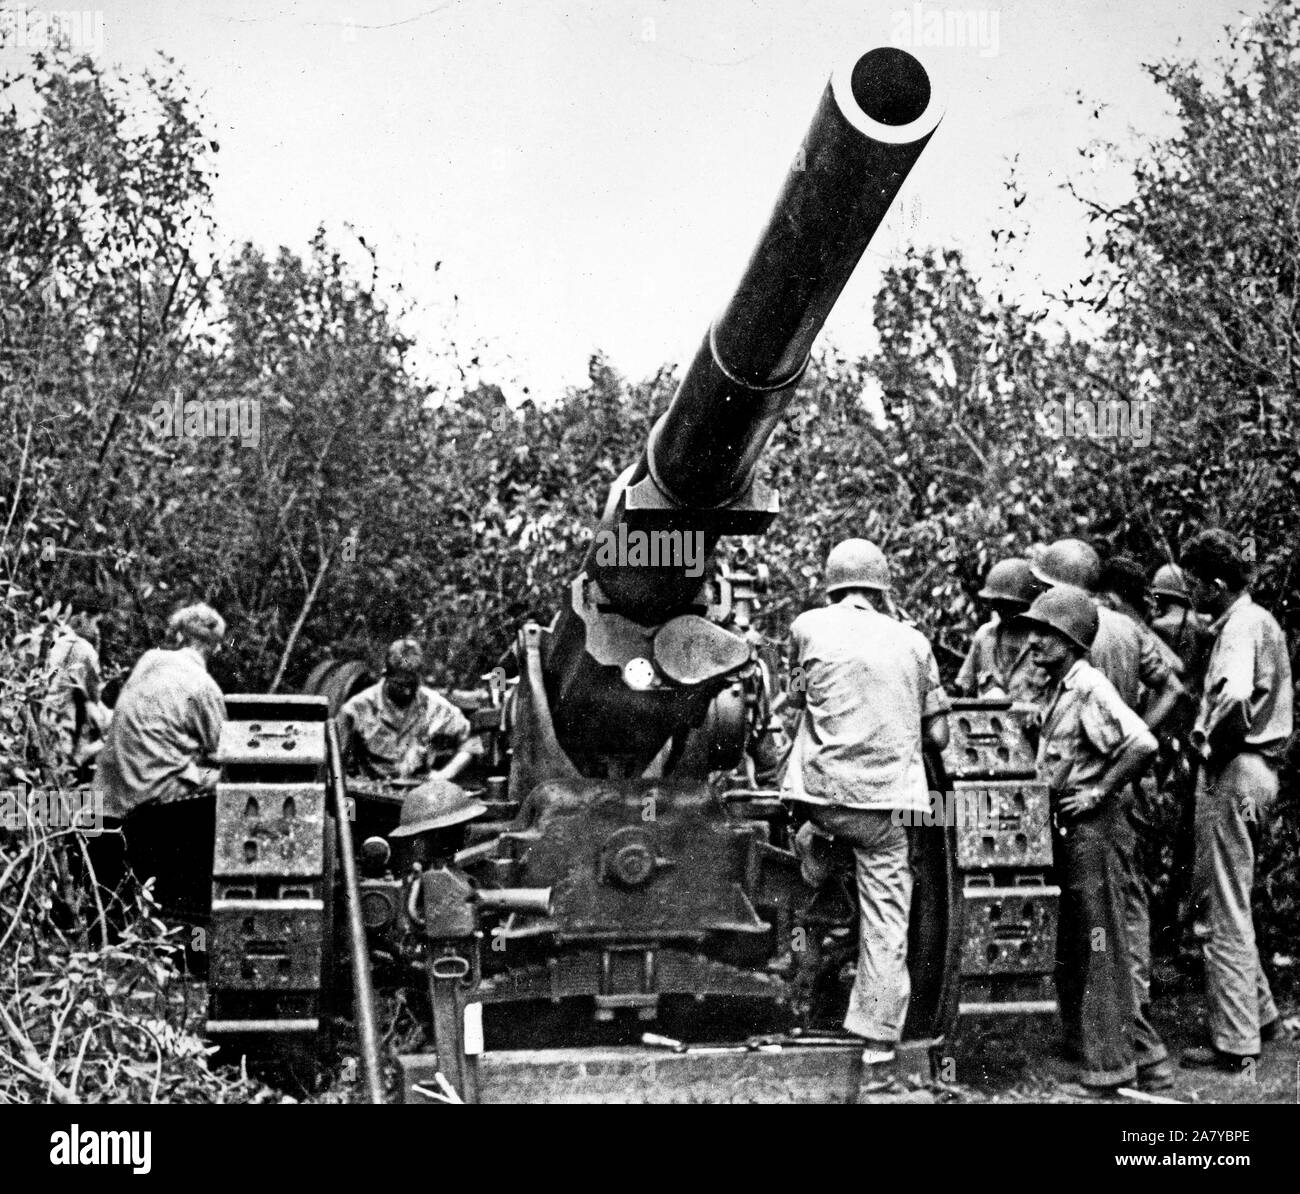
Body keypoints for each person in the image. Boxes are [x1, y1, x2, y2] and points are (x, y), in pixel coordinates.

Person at [781, 538, 950, 1088]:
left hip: (819, 796)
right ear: (883, 589)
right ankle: (878, 1051)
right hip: (884, 810)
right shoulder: (914, 641)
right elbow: (940, 734)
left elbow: (799, 701)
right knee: (886, 919)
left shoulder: (808, 626)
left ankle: (816, 853)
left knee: (819, 827)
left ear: (833, 585)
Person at [1030, 538, 1180, 1086]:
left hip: (1098, 827)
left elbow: (1142, 743)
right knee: (1089, 940)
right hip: (1081, 830)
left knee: (1102, 943)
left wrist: (1096, 793)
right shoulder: (1064, 685)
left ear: (1068, 639)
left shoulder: (1089, 684)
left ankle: (1116, 1067)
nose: (1032, 643)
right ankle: (1132, 1058)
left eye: (1043, 634)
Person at [1178, 530, 1293, 1071]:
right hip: (1259, 773)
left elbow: (1237, 692)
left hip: (1236, 770)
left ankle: (1235, 1041)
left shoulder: (1241, 625)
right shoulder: (1255, 619)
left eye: (1197, 584)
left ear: (1217, 584)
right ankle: (1261, 1015)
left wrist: (1207, 739)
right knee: (1235, 894)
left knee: (1222, 904)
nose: (1193, 594)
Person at [90, 603, 227, 929]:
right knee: (228, 781)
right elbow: (222, 749)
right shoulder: (204, 686)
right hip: (157, 795)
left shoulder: (148, 661)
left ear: (177, 635)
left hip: (111, 789)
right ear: (216, 647)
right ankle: (200, 920)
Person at [337, 639, 483, 782]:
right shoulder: (358, 708)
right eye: (400, 685)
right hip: (372, 794)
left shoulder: (434, 705)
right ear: (386, 675)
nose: (407, 692)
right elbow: (334, 760)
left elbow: (472, 742)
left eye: (411, 684)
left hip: (417, 792)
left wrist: (445, 774)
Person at [956, 557, 1043, 703]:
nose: (1002, 610)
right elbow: (964, 687)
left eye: (1010, 605)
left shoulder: (1043, 643)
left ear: (1026, 605)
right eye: (998, 603)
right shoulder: (984, 637)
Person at [44, 611, 111, 773]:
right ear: (82, 618)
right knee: (57, 778)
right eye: (95, 624)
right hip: (60, 725)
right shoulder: (83, 648)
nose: (97, 631)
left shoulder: (52, 639)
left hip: (40, 717)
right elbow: (94, 698)